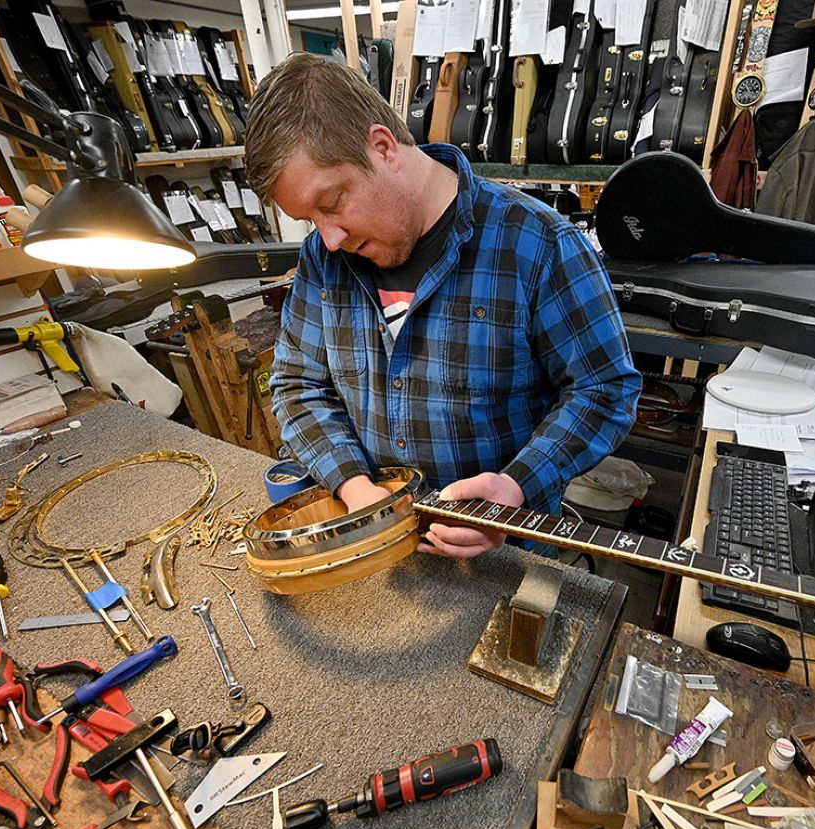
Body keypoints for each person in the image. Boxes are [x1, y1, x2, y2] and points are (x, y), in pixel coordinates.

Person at [244, 53, 640, 559]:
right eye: (309, 219)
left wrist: (515, 489)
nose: (330, 237)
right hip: (380, 551)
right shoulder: (324, 259)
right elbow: (298, 385)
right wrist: (354, 488)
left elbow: (604, 389)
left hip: (507, 552)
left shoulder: (538, 245)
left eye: (332, 202)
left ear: (383, 147)